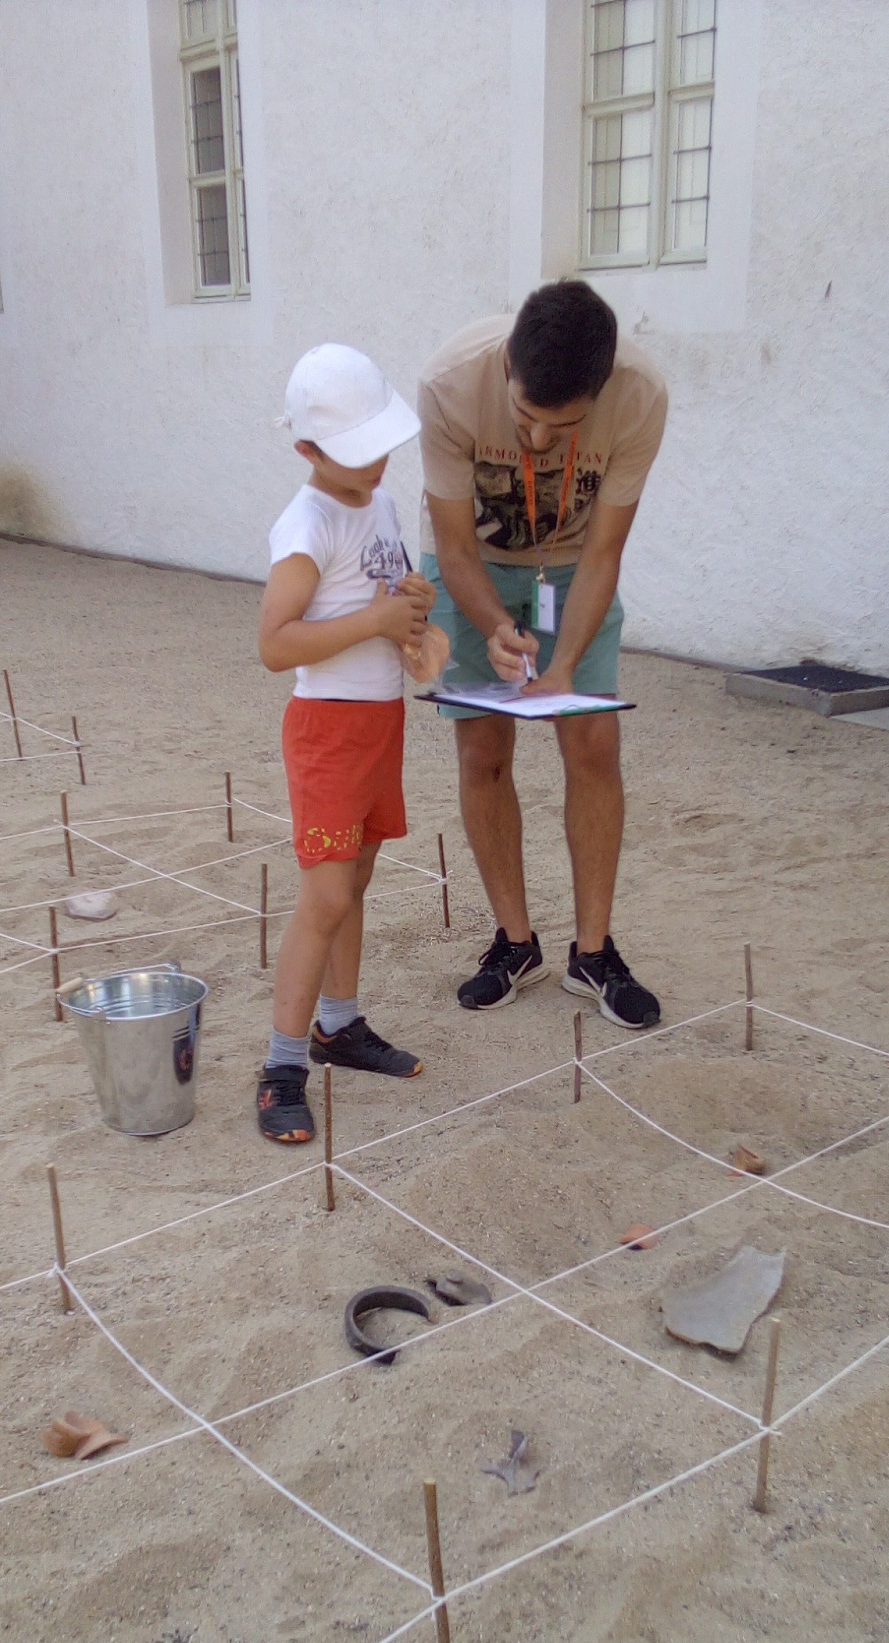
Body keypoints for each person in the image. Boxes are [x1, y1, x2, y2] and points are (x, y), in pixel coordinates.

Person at [418, 279, 667, 1030]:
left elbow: (604, 551)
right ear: (506, 372)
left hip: (572, 568)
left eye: (561, 429)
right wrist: (494, 624)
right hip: (475, 565)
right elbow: (455, 545)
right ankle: (514, 942)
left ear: (601, 390)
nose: (535, 442)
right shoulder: (449, 384)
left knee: (593, 741)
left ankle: (593, 954)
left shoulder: (642, 395)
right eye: (524, 417)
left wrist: (560, 673)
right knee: (481, 749)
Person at [256, 343, 437, 1144]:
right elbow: (276, 642)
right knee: (325, 896)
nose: (374, 463)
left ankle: (339, 1025)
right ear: (308, 451)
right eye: (354, 452)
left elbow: (383, 597)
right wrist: (373, 619)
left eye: (380, 446)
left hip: (379, 723)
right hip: (327, 729)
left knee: (356, 881)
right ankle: (282, 1064)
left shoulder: (382, 505)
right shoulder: (307, 523)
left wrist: (410, 603)